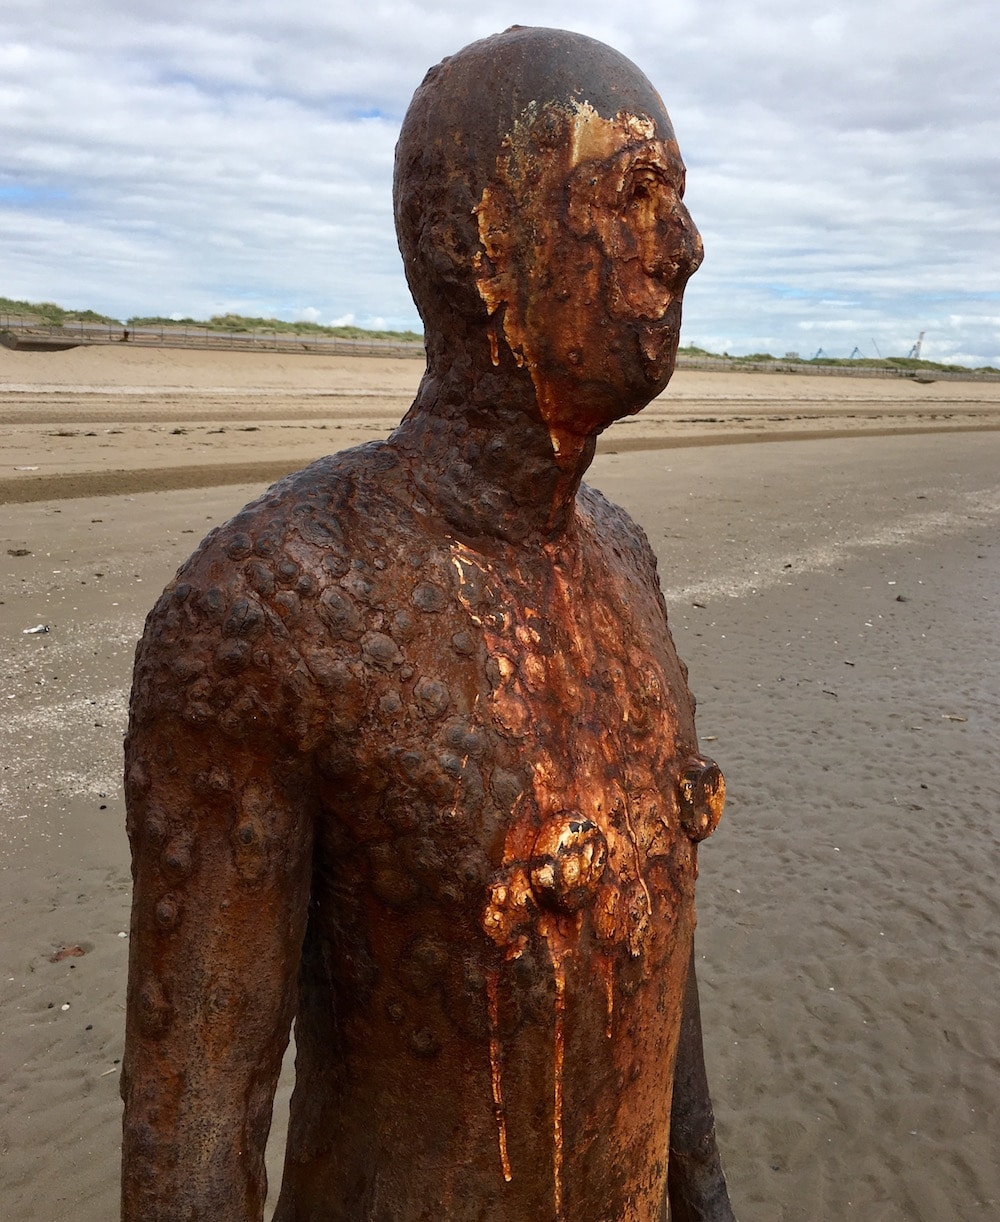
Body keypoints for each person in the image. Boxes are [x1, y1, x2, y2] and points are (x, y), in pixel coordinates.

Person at [121, 26, 735, 1221]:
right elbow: (192, 1139)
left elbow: (655, 936)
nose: (686, 248)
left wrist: (705, 1198)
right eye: (635, 193)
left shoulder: (620, 555)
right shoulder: (271, 608)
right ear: (477, 243)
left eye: (682, 198)